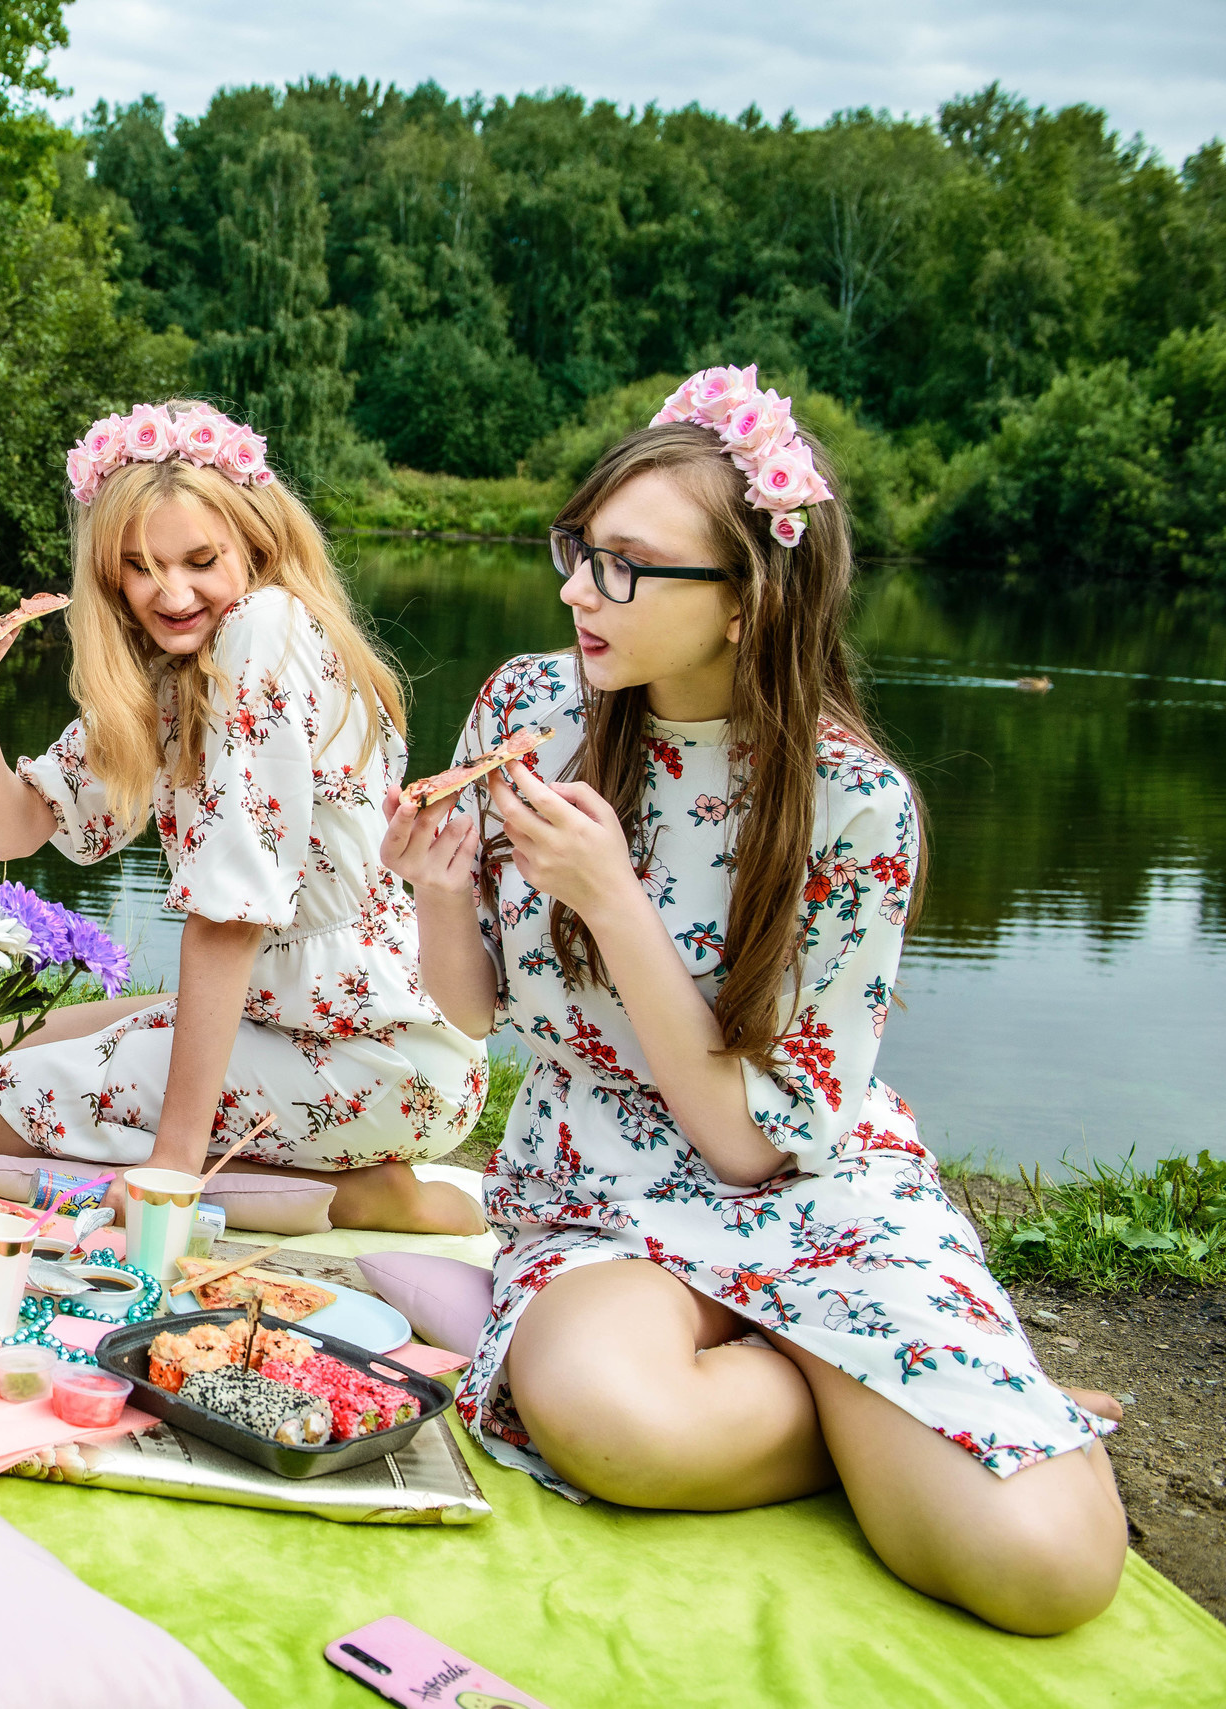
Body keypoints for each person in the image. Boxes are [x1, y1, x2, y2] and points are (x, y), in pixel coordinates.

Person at [382, 367, 1126, 1633]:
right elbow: (474, 1014)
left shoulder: (856, 806)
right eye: (577, 548)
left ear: (748, 601)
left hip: (802, 1178)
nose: (574, 588)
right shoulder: (531, 704)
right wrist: (440, 896)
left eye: (623, 565)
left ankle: (879, 1355)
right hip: (599, 1180)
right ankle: (877, 1373)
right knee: (616, 1421)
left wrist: (614, 900)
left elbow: (749, 1140)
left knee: (1044, 1569)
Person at [0, 400, 488, 1233]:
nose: (173, 591)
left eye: (199, 559)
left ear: (253, 546)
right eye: (143, 566)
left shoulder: (265, 629)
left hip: (376, 1047)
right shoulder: (166, 678)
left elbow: (230, 912)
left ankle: (356, 1195)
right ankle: (299, 1173)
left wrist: (172, 1170)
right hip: (284, 1015)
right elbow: (20, 831)